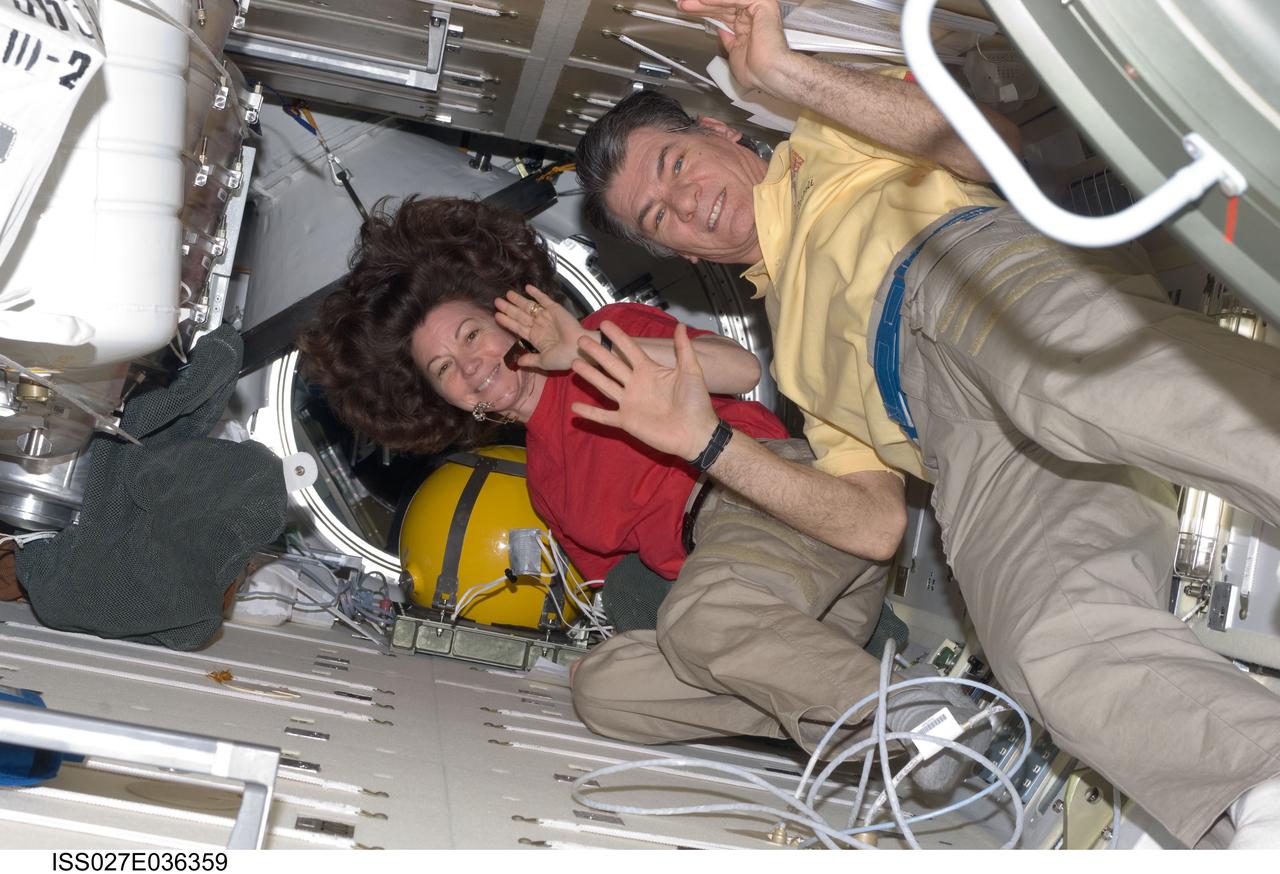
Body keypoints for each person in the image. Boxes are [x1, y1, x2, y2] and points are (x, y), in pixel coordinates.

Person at [571, 0, 1280, 848]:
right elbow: (872, 525)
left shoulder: (827, 135)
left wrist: (787, 73)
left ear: (723, 132)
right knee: (1040, 639)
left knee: (1096, 389)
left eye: (676, 163)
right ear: (681, 255)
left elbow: (992, 146)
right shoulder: (793, 359)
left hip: (966, 272)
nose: (685, 203)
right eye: (659, 218)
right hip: (954, 438)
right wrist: (706, 444)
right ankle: (1260, 781)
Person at [299, 195, 987, 791]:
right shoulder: (545, 485)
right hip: (771, 608)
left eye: (471, 335)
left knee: (700, 622)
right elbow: (627, 603)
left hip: (774, 501)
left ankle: (923, 717)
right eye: (445, 369)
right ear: (438, 399)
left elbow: (739, 365)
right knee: (604, 689)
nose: (471, 368)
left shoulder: (608, 333)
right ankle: (860, 712)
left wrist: (585, 356)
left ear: (509, 314)